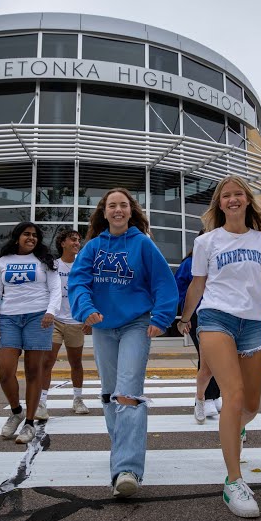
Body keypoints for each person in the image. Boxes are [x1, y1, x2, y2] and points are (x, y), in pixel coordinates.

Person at [177, 175, 261, 518]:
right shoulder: (208, 241)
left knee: (250, 404)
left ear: (248, 201)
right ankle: (233, 482)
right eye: (226, 195)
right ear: (219, 204)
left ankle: (234, 430)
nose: (233, 199)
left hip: (251, 325)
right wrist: (185, 318)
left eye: (239, 194)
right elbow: (197, 284)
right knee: (233, 395)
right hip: (215, 319)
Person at [68, 188, 178, 499]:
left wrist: (161, 317)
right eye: (112, 205)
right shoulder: (92, 247)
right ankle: (122, 453)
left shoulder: (142, 243)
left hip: (136, 324)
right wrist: (85, 308)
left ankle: (126, 470)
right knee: (109, 393)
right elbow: (77, 281)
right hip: (103, 326)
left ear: (131, 211)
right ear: (104, 212)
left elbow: (163, 282)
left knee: (127, 393)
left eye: (123, 205)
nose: (118, 210)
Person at [0, 222, 61, 445]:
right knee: (5, 371)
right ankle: (16, 411)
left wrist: (51, 312)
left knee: (33, 371)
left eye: (35, 235)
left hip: (38, 318)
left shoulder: (46, 261)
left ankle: (29, 423)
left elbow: (56, 289)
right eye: (27, 234)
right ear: (17, 237)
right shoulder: (3, 262)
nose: (32, 238)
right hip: (9, 319)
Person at [40, 227, 90, 417]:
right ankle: (42, 402)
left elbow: (90, 291)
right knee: (47, 362)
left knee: (75, 362)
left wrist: (89, 317)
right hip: (55, 320)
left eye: (78, 240)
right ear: (62, 243)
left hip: (76, 321)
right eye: (72, 240)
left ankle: (78, 399)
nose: (77, 243)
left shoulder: (83, 265)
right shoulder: (53, 265)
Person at [174, 231, 221, 424]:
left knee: (220, 357)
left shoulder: (219, 262)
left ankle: (215, 396)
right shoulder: (189, 264)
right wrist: (186, 316)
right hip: (197, 314)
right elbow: (180, 290)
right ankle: (205, 398)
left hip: (219, 314)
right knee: (207, 357)